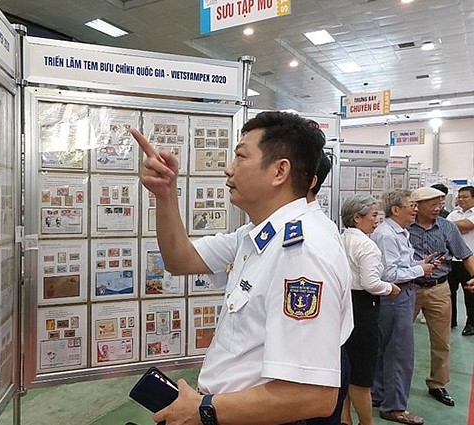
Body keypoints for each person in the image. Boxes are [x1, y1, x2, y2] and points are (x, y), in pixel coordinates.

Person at [131, 111, 353, 425]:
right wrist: (165, 195)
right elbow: (180, 259)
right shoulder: (259, 234)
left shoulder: (300, 252)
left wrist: (203, 410)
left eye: (240, 157)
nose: (228, 169)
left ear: (279, 171)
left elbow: (312, 394)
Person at [370, 188, 436, 425]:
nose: (415, 209)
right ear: (396, 209)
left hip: (399, 295)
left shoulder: (398, 232)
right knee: (399, 353)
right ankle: (395, 406)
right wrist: (421, 270)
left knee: (386, 349)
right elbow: (389, 274)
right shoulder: (388, 235)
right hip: (396, 296)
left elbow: (399, 264)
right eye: (411, 205)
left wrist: (419, 263)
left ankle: (379, 395)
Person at [408, 186, 474, 407]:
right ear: (417, 206)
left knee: (441, 341)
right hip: (410, 288)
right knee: (398, 338)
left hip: (439, 288)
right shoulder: (404, 228)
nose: (438, 208)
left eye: (440, 203)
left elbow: (465, 255)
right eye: (432, 204)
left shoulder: (447, 227)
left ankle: (437, 384)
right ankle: (393, 383)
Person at [339, 194, 400, 425]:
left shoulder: (340, 239)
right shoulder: (366, 246)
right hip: (363, 309)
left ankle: (344, 419)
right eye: (374, 215)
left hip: (343, 305)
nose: (377, 220)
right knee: (362, 377)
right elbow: (371, 283)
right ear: (357, 217)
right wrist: (390, 288)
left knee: (345, 368)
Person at [446, 186, 474, 335]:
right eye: (459, 197)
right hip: (452, 259)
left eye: (465, 197)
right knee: (449, 292)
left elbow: (468, 225)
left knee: (470, 293)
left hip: (470, 260)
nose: (460, 199)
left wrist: (452, 226)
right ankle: (451, 320)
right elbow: (446, 230)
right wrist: (457, 226)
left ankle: (471, 323)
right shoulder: (453, 213)